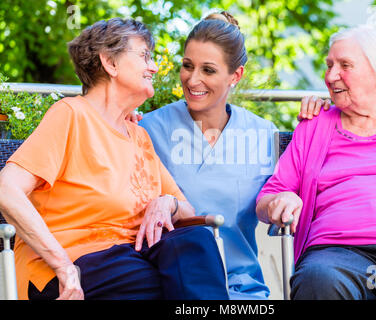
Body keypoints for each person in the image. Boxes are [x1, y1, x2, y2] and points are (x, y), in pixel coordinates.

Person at [0, 18, 229, 300]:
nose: (154, 67)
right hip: (72, 269)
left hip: (135, 258)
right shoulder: (71, 115)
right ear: (110, 62)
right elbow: (6, 189)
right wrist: (64, 267)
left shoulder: (139, 136)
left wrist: (166, 202)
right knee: (163, 284)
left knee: (196, 241)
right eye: (145, 55)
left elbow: (187, 209)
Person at [138, 11, 329, 299]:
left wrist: (328, 113)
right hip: (170, 284)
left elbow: (303, 191)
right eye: (187, 66)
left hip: (241, 288)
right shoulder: (149, 129)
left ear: (235, 75)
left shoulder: (264, 135)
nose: (192, 80)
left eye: (208, 70)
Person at [256, 24, 376, 300]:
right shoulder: (315, 126)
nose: (330, 75)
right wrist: (281, 200)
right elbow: (267, 198)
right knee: (317, 283)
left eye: (344, 65)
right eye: (329, 65)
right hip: (334, 252)